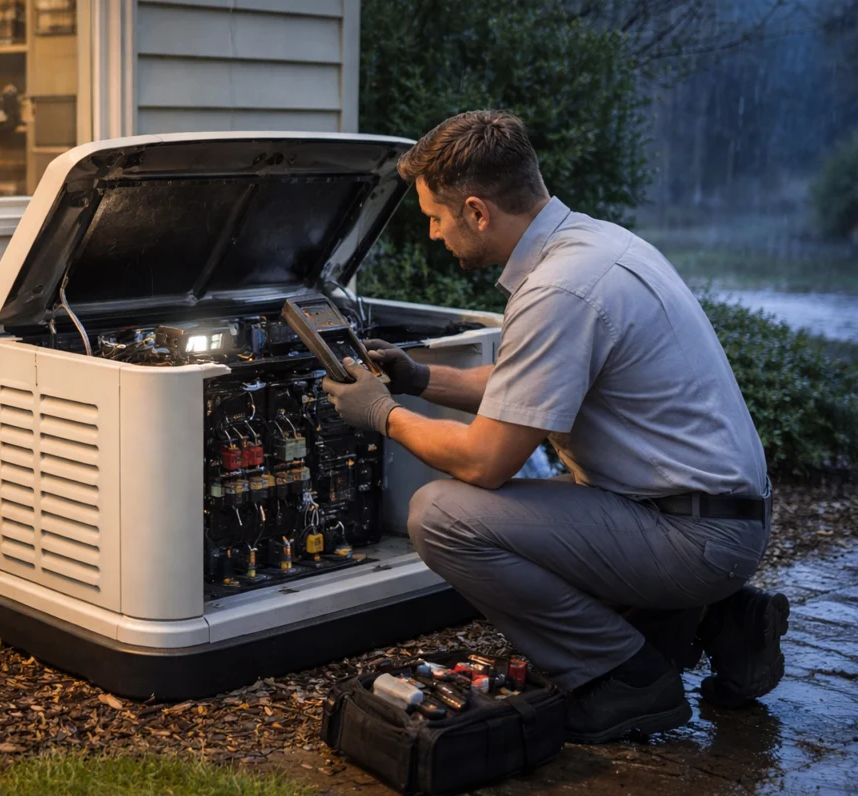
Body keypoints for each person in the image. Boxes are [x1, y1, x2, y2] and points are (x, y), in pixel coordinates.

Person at [321, 110, 789, 744]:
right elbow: (528, 385)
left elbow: (485, 461)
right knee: (520, 513)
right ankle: (717, 620)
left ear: (477, 212)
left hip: (693, 535)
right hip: (710, 514)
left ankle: (626, 679)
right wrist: (418, 378)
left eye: (435, 217)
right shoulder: (594, 246)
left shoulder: (559, 291)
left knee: (441, 516)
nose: (432, 233)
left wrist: (381, 414)